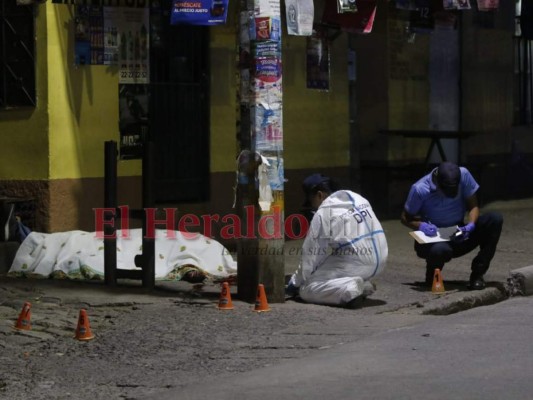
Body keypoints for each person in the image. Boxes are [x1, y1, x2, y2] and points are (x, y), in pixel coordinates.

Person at [286, 173, 388, 308]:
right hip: (382, 258)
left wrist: (295, 283)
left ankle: (350, 289)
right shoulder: (358, 198)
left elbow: (311, 255)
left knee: (307, 288)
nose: (313, 207)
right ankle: (363, 285)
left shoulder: (324, 212)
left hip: (358, 262)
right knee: (334, 259)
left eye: (311, 201)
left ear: (319, 195)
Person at [400, 161, 503, 290]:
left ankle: (478, 274)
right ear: (437, 182)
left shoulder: (464, 174)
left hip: (458, 232)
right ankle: (432, 275)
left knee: (494, 219)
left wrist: (470, 225)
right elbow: (404, 218)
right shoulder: (420, 189)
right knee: (441, 250)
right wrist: (421, 225)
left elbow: (473, 206)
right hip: (434, 238)